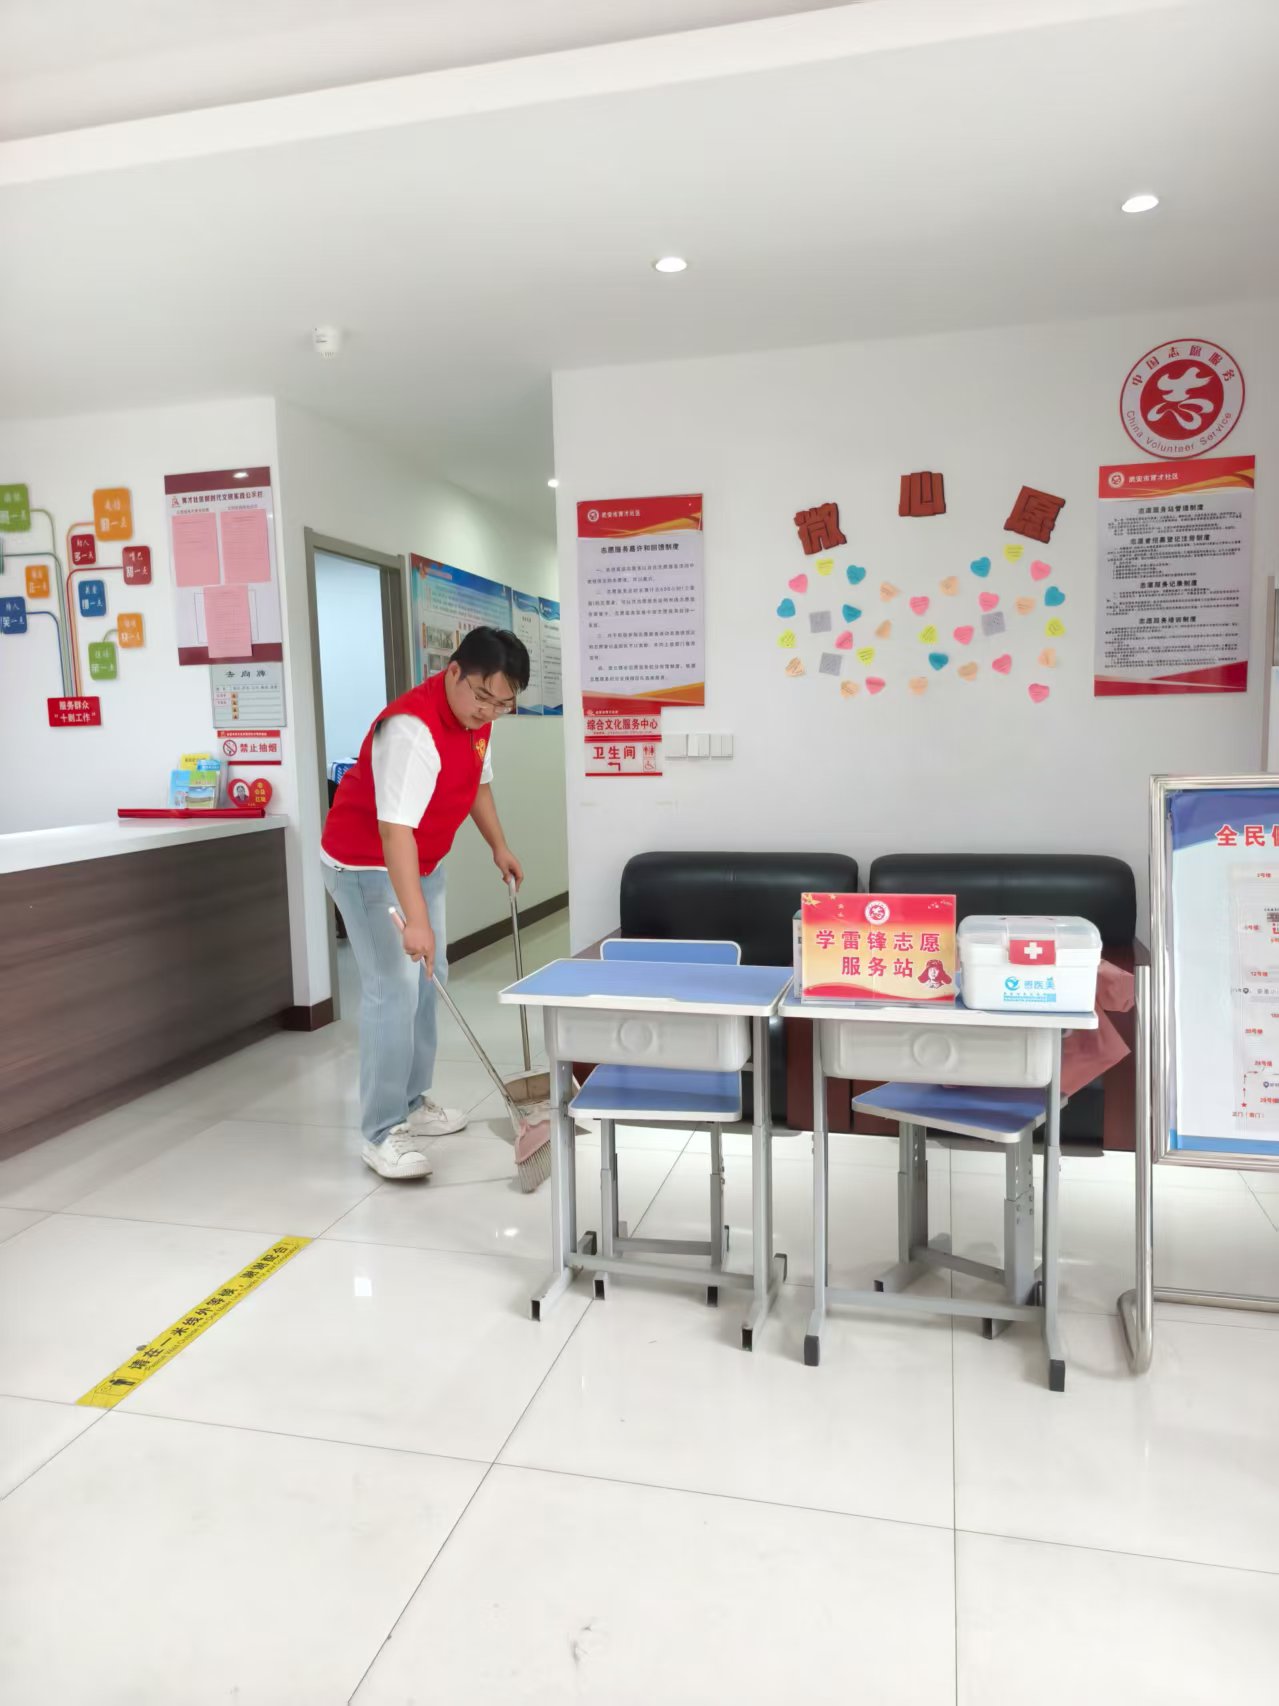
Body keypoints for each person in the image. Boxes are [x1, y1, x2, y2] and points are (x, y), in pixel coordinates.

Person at [321, 627, 529, 1180]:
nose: (488, 711)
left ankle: (411, 1102)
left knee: (429, 980)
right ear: (453, 671)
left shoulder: (479, 720)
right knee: (393, 989)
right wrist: (415, 919)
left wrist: (499, 845)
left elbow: (478, 784)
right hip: (366, 865)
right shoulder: (410, 729)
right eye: (481, 696)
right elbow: (394, 833)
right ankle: (381, 1130)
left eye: (502, 704)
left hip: (423, 862)